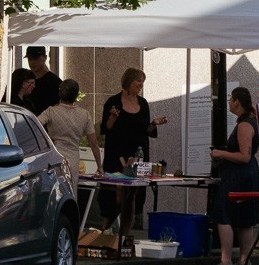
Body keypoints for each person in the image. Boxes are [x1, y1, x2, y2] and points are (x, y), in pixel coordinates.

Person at [99, 67, 167, 242]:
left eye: (142, 82)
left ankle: (125, 235)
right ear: (128, 81)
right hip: (117, 154)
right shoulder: (113, 101)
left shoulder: (142, 103)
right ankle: (105, 229)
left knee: (133, 194)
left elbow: (146, 130)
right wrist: (113, 116)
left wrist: (154, 123)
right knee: (116, 193)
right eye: (138, 81)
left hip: (138, 154)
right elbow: (106, 128)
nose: (141, 85)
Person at [207, 87, 259, 265]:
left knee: (223, 215)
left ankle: (226, 261)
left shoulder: (244, 125)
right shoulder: (252, 121)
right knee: (245, 218)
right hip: (247, 174)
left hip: (239, 175)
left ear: (237, 102)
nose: (229, 103)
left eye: (230, 100)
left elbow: (244, 156)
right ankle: (244, 260)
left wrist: (220, 153)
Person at [39, 78, 101, 184]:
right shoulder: (85, 115)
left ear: (60, 94)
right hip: (72, 160)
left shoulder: (51, 112)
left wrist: (46, 141)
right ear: (76, 95)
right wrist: (99, 166)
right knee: (70, 189)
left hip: (52, 158)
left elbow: (35, 124)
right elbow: (93, 143)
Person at [24, 46, 62, 115]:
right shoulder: (24, 79)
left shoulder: (55, 82)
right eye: (30, 59)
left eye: (36, 58)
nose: (32, 62)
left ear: (45, 58)